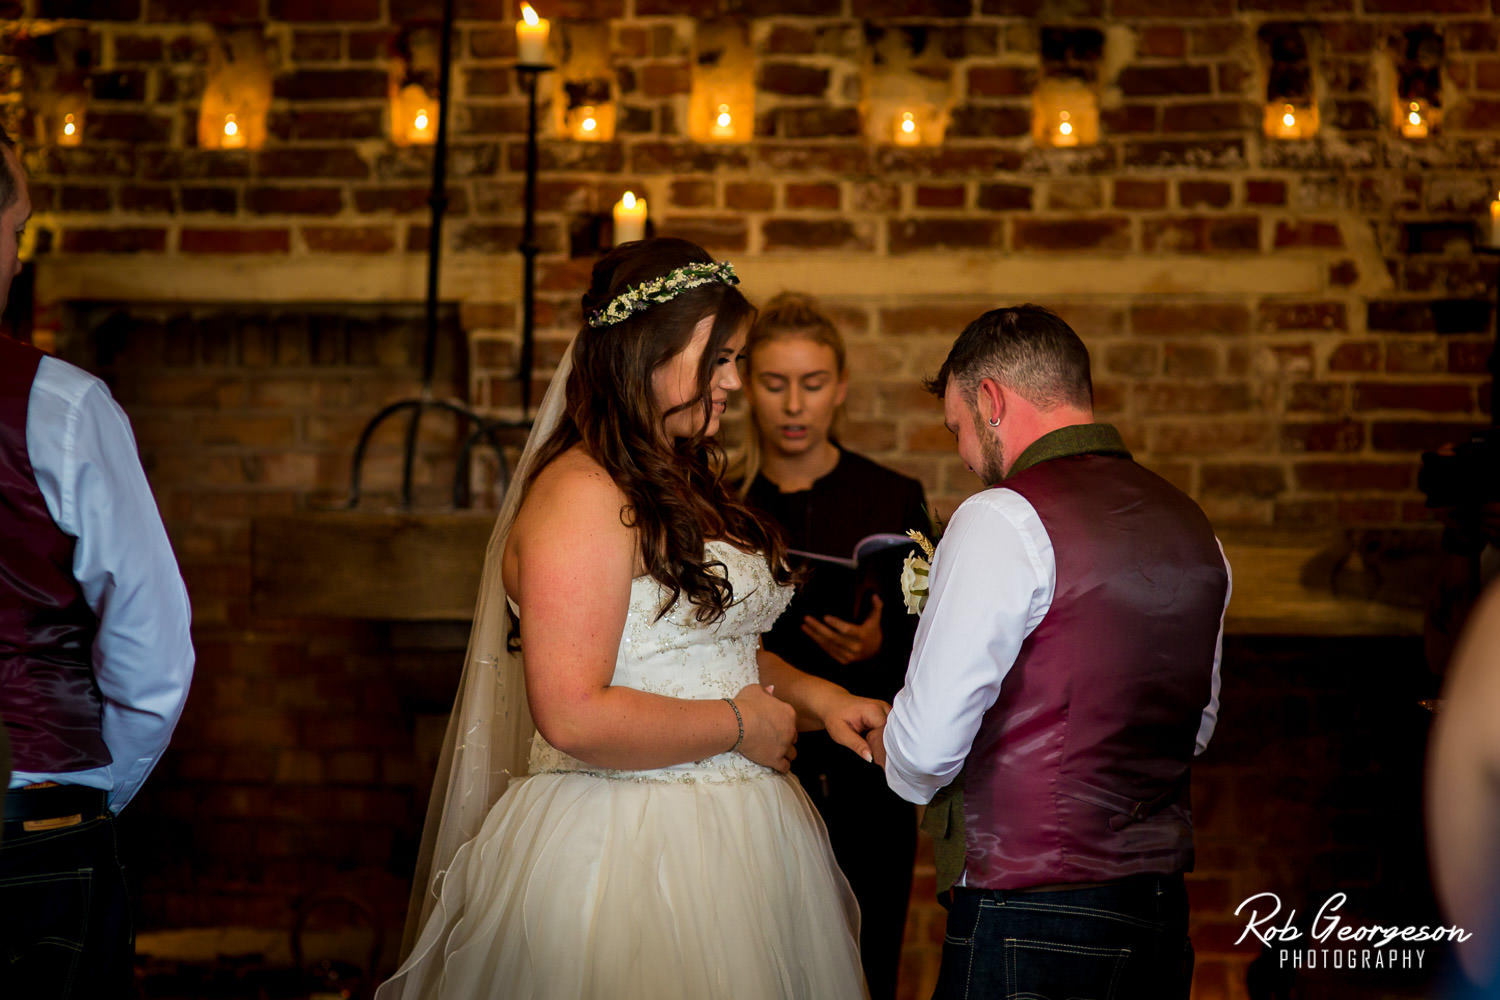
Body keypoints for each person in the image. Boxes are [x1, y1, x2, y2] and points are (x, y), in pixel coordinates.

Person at [379, 238, 886, 999]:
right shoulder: (580, 496)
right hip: (622, 842)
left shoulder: (678, 478)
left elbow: (710, 649)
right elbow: (573, 715)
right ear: (649, 352)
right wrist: (741, 728)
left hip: (744, 840)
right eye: (717, 360)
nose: (734, 383)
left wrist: (822, 700)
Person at [868, 305, 1231, 999]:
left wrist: (888, 741)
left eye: (958, 429)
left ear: (992, 400)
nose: (965, 457)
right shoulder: (1193, 525)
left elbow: (922, 754)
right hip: (1157, 913)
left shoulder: (1001, 517)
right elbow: (1197, 726)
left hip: (1030, 915)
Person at [0, 127, 195, 997]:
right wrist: (86, 790)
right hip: (32, 809)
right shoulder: (61, 406)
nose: (17, 252)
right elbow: (154, 653)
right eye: (18, 227)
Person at [739, 292, 927, 1000]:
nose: (794, 405)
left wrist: (880, 645)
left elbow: (937, 642)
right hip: (762, 759)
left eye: (812, 385)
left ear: (840, 388)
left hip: (867, 767)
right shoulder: (725, 498)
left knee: (865, 957)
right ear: (745, 384)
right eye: (775, 383)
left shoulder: (892, 494)